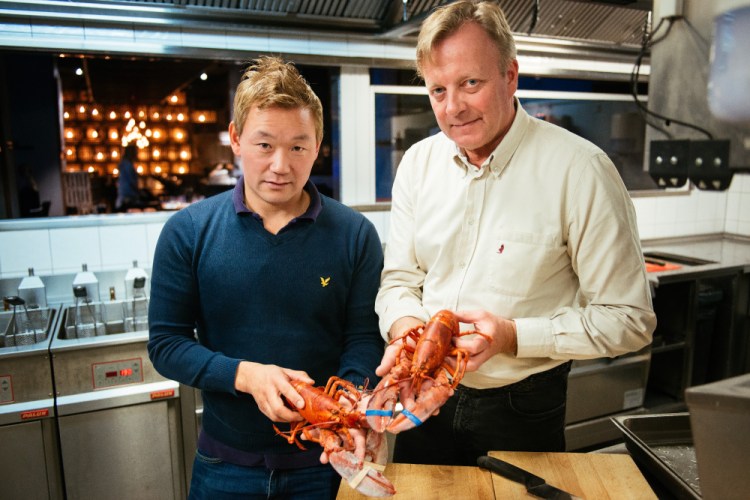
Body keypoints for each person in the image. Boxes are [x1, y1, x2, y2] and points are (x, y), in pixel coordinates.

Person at [374, 0, 656, 466]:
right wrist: (407, 332)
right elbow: (400, 280)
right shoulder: (418, 164)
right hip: (423, 394)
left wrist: (512, 336)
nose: (453, 108)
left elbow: (629, 319)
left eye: (470, 83)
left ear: (510, 75)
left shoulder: (580, 170)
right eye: (437, 90)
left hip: (522, 406)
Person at [147, 56, 384, 499]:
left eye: (298, 146)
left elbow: (364, 339)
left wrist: (351, 403)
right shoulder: (188, 231)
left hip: (324, 466)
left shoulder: (355, 235)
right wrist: (246, 376)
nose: (281, 165)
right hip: (223, 464)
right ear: (236, 139)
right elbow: (166, 344)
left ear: (318, 146)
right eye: (264, 145)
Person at [116, 143, 140, 211]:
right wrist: (138, 191)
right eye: (136, 152)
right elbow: (131, 181)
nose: (137, 154)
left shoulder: (124, 163)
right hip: (128, 195)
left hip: (124, 194)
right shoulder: (127, 165)